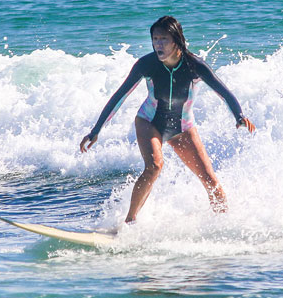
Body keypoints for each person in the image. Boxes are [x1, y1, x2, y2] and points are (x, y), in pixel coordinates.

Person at [79, 16, 256, 224]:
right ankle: (129, 223)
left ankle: (226, 225)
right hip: (149, 122)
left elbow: (224, 93)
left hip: (183, 128)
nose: (158, 44)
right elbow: (119, 97)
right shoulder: (147, 64)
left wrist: (239, 116)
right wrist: (96, 129)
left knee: (210, 180)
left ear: (176, 41)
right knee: (154, 166)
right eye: (155, 39)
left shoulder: (195, 66)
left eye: (163, 39)